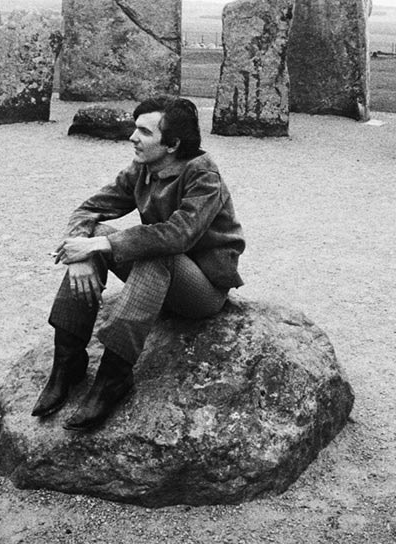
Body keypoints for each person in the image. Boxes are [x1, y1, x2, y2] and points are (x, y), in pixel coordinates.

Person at [32, 95, 245, 431]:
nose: (132, 137)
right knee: (98, 234)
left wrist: (100, 244)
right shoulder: (143, 168)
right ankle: (67, 362)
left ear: (172, 144)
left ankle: (113, 377)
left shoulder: (204, 176)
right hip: (160, 276)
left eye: (144, 132)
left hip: (201, 291)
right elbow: (87, 211)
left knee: (150, 249)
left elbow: (178, 236)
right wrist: (81, 258)